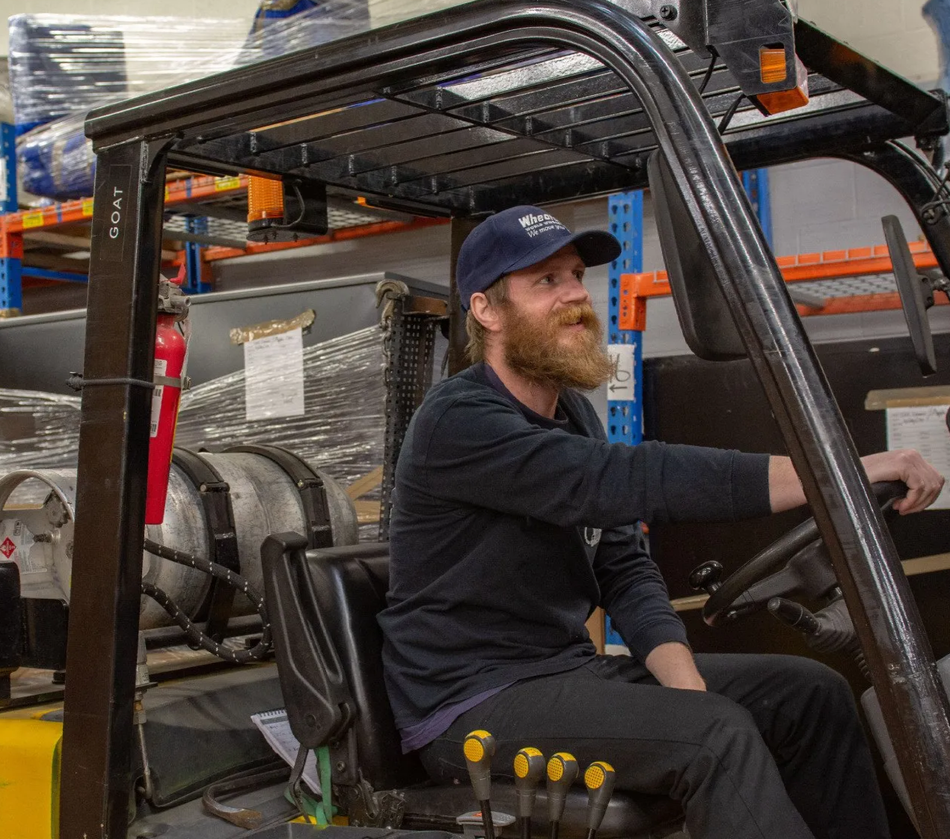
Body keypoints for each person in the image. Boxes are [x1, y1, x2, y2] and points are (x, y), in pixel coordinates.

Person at [377, 205, 945, 839]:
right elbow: (628, 479)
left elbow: (623, 565)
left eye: (576, 276)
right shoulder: (458, 421)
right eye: (546, 281)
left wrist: (685, 684)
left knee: (811, 694)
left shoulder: (574, 417)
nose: (575, 295)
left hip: (568, 673)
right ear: (486, 309)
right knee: (714, 737)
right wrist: (838, 474)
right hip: (471, 704)